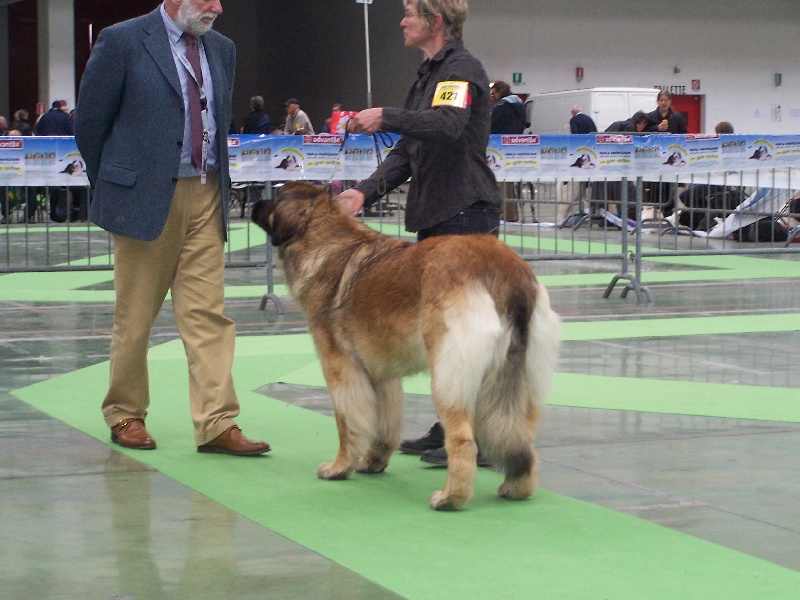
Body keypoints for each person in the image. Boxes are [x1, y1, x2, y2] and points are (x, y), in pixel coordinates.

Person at [73, 0, 270, 455]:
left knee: (208, 314)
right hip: (145, 195)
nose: (217, 7)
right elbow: (91, 123)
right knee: (136, 315)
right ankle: (125, 413)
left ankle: (218, 422)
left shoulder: (222, 48)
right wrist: (118, 184)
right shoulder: (121, 40)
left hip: (207, 191)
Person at [339, 0, 500, 467]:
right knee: (448, 335)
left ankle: (481, 437)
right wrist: (363, 194)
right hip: (439, 215)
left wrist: (385, 116)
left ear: (436, 21)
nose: (402, 19)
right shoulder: (428, 75)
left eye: (410, 11)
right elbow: (409, 152)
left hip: (466, 214)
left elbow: (447, 127)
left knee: (466, 334)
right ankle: (452, 425)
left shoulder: (461, 69)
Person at [489, 80, 526, 221]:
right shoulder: (519, 104)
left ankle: (507, 214)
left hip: (499, 150)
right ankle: (512, 212)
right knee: (510, 183)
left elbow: (490, 125)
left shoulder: (501, 107)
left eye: (493, 93)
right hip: (515, 148)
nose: (492, 96)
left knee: (501, 183)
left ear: (498, 92)